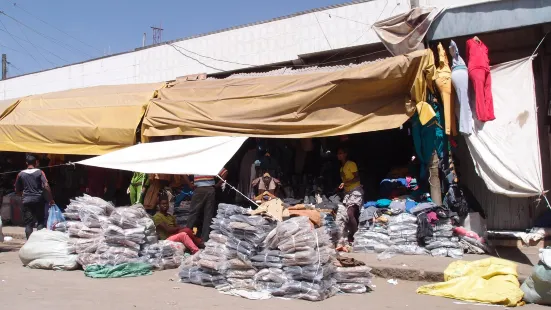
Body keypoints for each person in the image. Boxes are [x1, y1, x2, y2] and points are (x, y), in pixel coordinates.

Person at [15, 154, 55, 239]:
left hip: (27, 200)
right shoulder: (40, 172)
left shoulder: (21, 174)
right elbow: (46, 186)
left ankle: (29, 242)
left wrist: (22, 195)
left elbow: (16, 189)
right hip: (39, 200)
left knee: (29, 223)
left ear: (26, 163)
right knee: (40, 221)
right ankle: (39, 242)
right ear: (36, 162)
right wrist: (50, 199)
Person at [184, 168, 228, 242]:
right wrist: (217, 185)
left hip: (199, 189)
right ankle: (204, 240)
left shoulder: (194, 161)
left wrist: (190, 184)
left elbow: (184, 174)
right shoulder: (212, 161)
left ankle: (185, 238)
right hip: (210, 189)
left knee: (193, 215)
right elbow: (225, 172)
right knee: (208, 216)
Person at [337, 146, 363, 243]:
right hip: (347, 192)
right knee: (350, 215)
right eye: (338, 153)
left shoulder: (351, 164)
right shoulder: (341, 168)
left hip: (355, 191)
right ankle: (353, 235)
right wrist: (343, 184)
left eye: (340, 153)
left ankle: (356, 236)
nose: (338, 155)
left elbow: (357, 178)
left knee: (350, 213)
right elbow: (345, 180)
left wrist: (348, 182)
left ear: (345, 154)